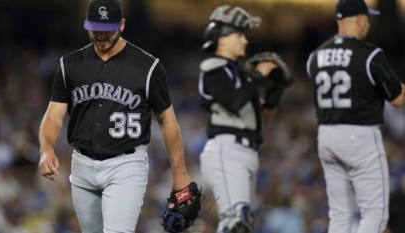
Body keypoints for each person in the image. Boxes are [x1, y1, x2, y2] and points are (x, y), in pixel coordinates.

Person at [38, 0, 195, 232]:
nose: (101, 36)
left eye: (107, 30)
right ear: (86, 25)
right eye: (95, 30)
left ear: (121, 25)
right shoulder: (69, 65)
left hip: (126, 165)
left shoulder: (148, 67)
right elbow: (53, 116)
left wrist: (180, 174)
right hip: (82, 165)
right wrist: (46, 148)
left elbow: (167, 120)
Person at [306, 0, 405, 233]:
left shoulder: (316, 56)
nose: (369, 23)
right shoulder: (370, 55)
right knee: (376, 213)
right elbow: (398, 100)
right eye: (367, 18)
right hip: (359, 135)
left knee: (340, 213)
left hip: (327, 136)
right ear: (359, 19)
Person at [198, 5, 291, 233]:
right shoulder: (213, 69)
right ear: (221, 39)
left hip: (245, 152)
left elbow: (258, 123)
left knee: (242, 225)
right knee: (235, 222)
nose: (245, 41)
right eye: (238, 34)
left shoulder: (240, 74)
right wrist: (257, 75)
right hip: (226, 150)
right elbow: (233, 100)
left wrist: (272, 97)